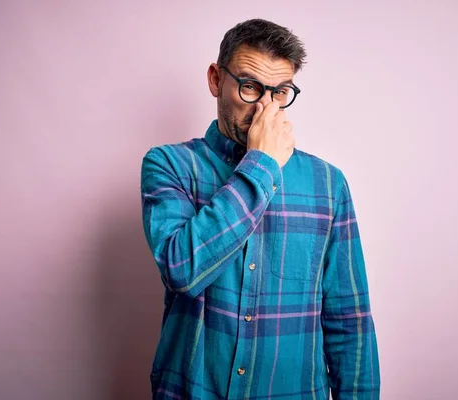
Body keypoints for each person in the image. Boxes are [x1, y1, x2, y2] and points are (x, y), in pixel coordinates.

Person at [140, 18, 380, 399]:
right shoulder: (169, 166)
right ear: (216, 80)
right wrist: (261, 164)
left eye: (280, 91)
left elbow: (349, 323)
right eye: (250, 86)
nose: (265, 106)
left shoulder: (328, 184)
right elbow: (182, 270)